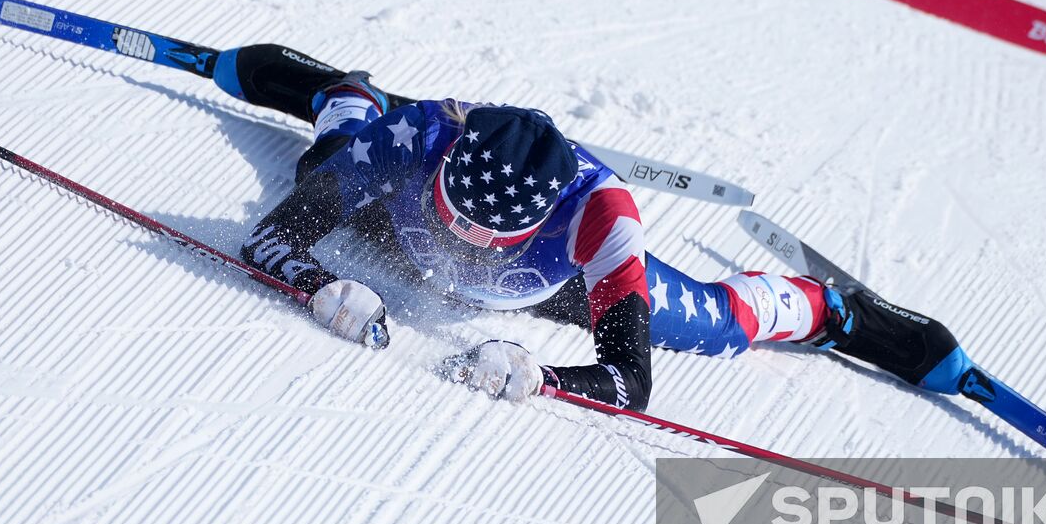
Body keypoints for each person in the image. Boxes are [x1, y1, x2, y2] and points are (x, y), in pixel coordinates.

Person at [213, 45, 973, 410]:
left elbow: (630, 382)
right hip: (394, 218)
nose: (465, 238)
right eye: (458, 213)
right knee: (336, 157)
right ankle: (347, 93)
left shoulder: (604, 219)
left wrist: (544, 375)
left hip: (552, 288)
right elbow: (272, 237)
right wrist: (315, 283)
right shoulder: (419, 138)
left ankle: (832, 311)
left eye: (488, 231)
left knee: (715, 323)